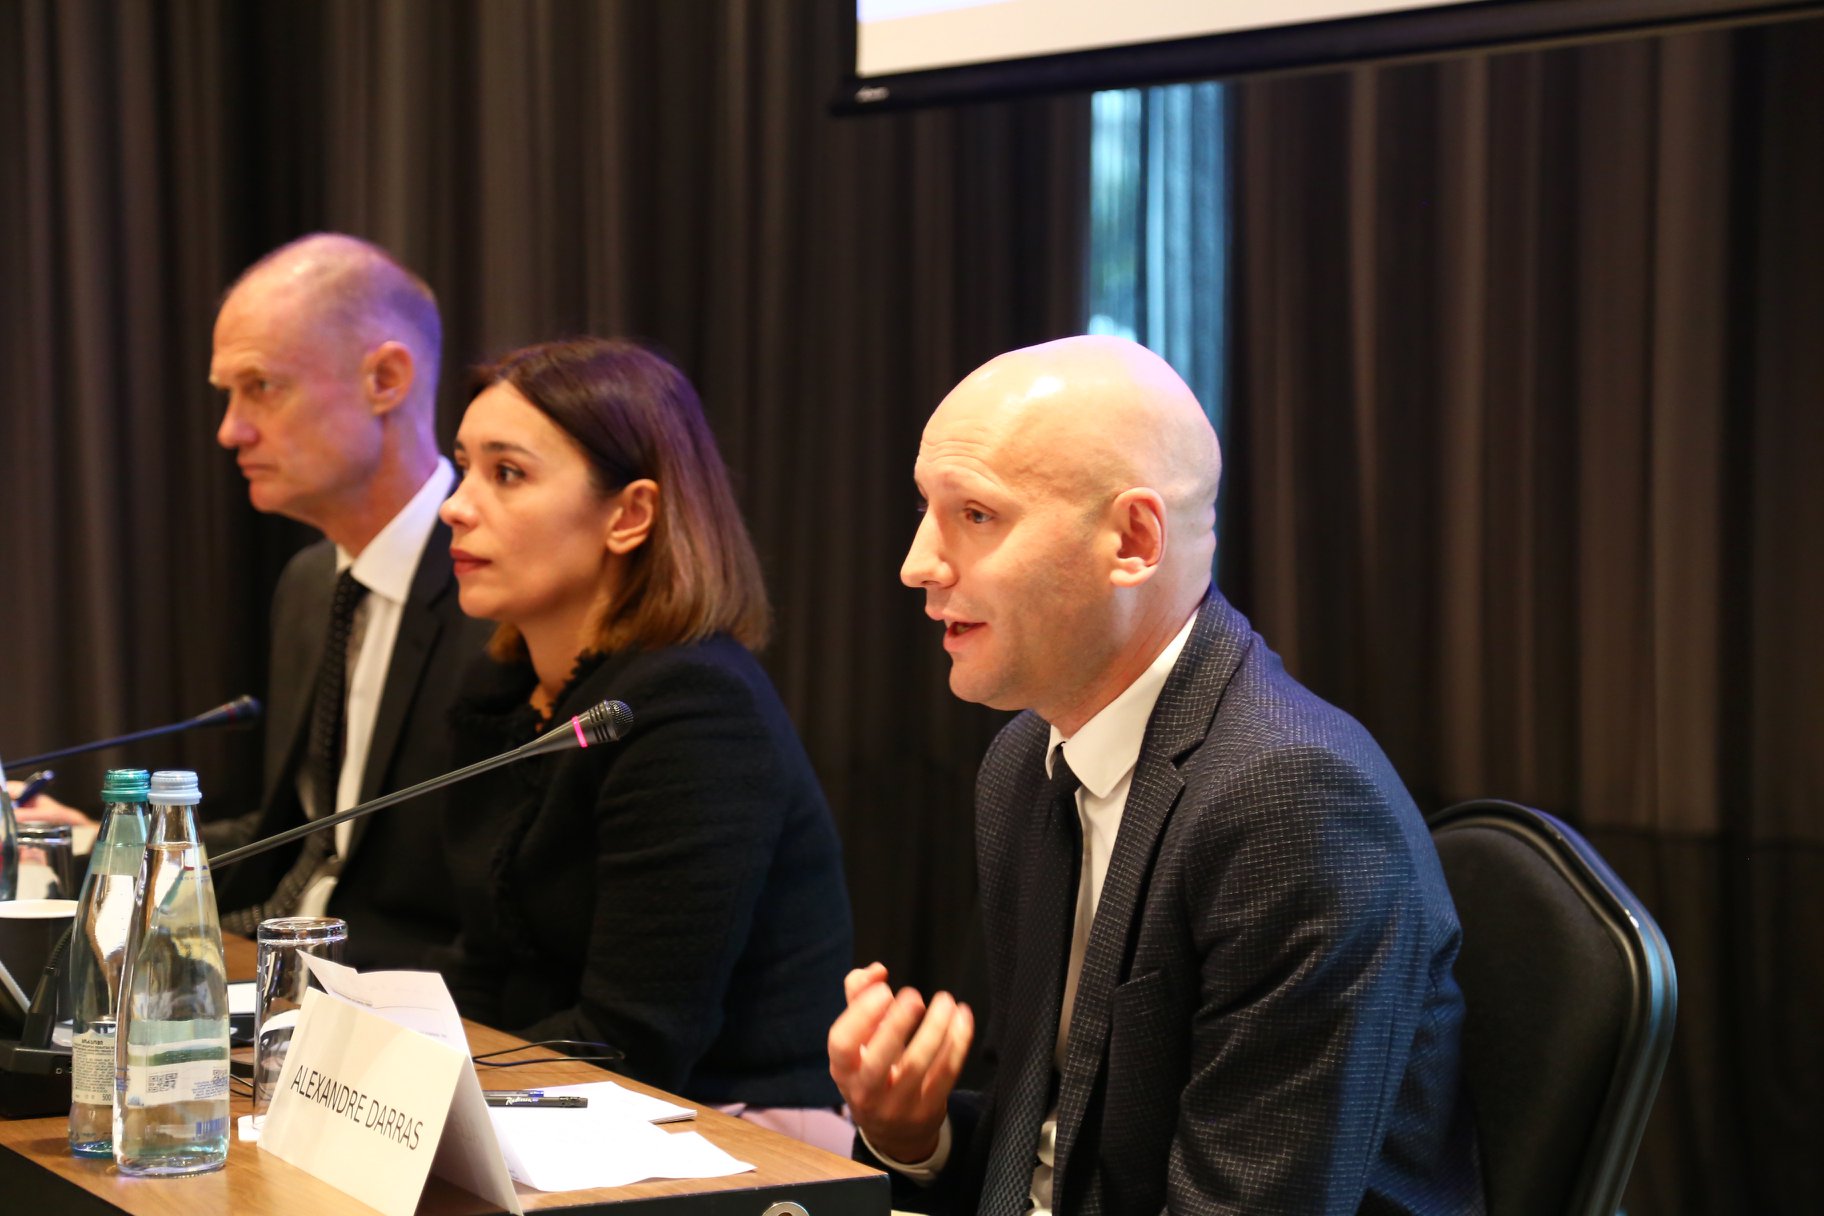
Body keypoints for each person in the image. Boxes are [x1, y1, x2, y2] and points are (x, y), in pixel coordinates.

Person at [829, 336, 1482, 1215]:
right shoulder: (1025, 762)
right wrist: (916, 1137)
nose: (918, 564)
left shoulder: (1295, 806)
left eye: (976, 514)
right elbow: (1067, 1144)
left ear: (1133, 540)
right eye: (927, 509)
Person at [436, 336, 853, 1150]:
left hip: (736, 1130)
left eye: (506, 473)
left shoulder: (695, 707)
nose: (456, 505)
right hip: (560, 1102)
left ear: (629, 515)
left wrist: (425, 1092)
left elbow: (638, 1041)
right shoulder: (500, 691)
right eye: (463, 467)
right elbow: (486, 970)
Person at [206, 234, 491, 967]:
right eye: (228, 394)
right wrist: (105, 847)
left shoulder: (495, 593)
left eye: (261, 386)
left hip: (406, 993)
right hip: (281, 961)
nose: (231, 429)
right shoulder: (309, 584)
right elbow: (306, 835)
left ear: (385, 380)